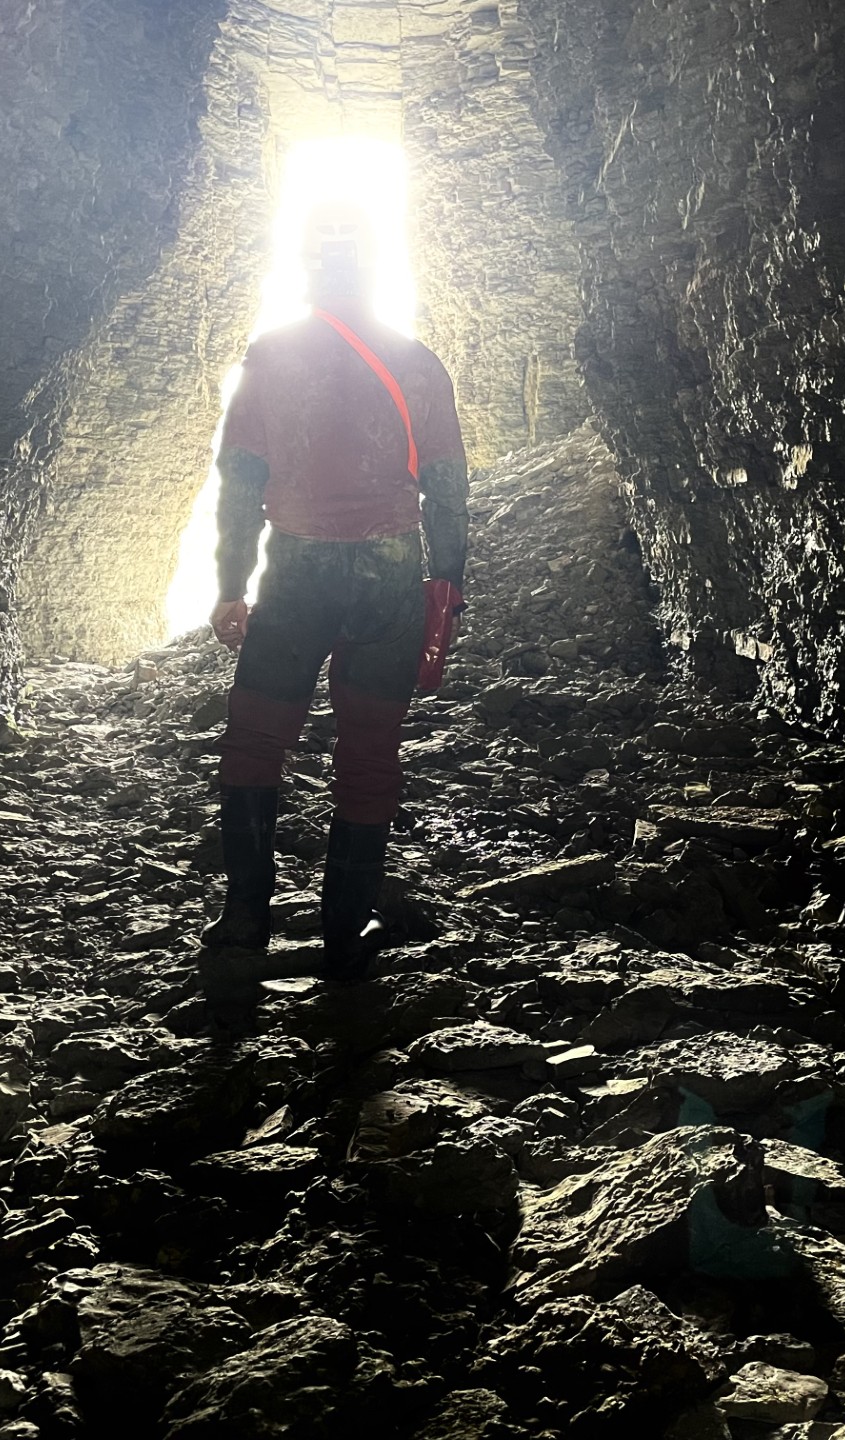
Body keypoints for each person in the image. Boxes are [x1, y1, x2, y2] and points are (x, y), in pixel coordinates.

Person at [202, 200, 468, 983]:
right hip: (389, 574)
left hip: (298, 570)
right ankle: (344, 933)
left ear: (309, 278)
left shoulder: (272, 359)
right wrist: (446, 585)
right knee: (369, 751)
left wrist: (228, 585)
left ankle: (245, 918)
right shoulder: (416, 362)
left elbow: (239, 485)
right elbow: (448, 491)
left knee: (255, 739)